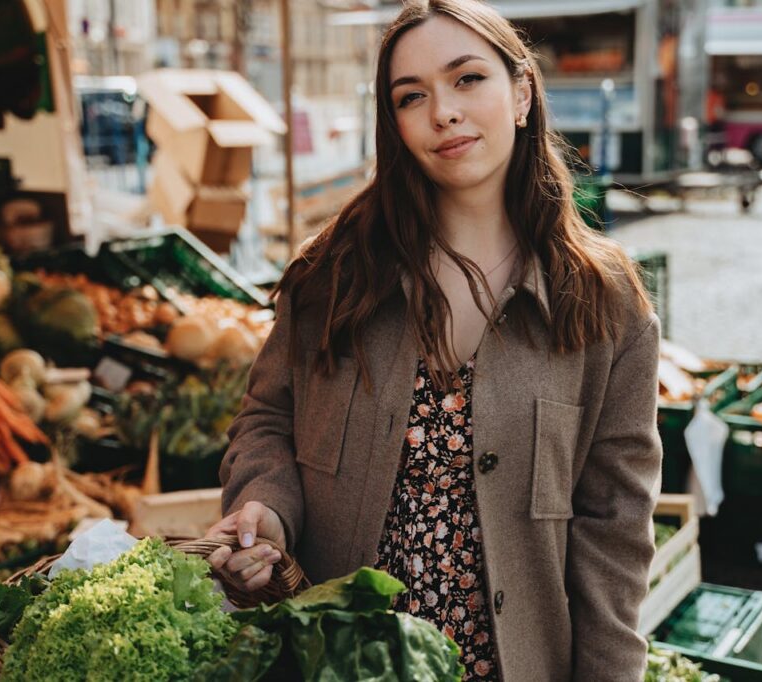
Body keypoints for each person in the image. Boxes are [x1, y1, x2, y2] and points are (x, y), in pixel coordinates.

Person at [205, 1, 662, 679]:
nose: (443, 111)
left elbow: (614, 531)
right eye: (411, 96)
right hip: (337, 660)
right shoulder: (333, 275)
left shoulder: (604, 305)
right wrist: (266, 508)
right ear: (394, 125)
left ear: (522, 94)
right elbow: (269, 417)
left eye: (467, 79)